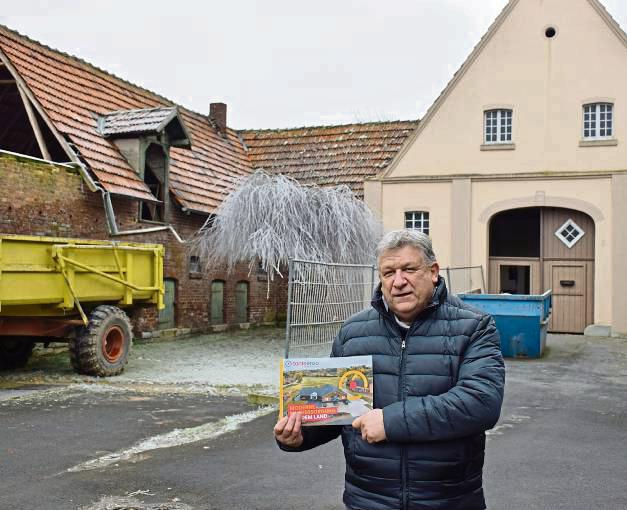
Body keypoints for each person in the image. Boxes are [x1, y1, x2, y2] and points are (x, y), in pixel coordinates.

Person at [274, 229, 505, 510]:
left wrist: (390, 422)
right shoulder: (353, 333)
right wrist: (299, 436)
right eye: (388, 272)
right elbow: (341, 408)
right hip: (368, 499)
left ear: (433, 271)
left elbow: (480, 403)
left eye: (409, 269)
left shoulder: (474, 327)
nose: (398, 282)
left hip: (448, 499)